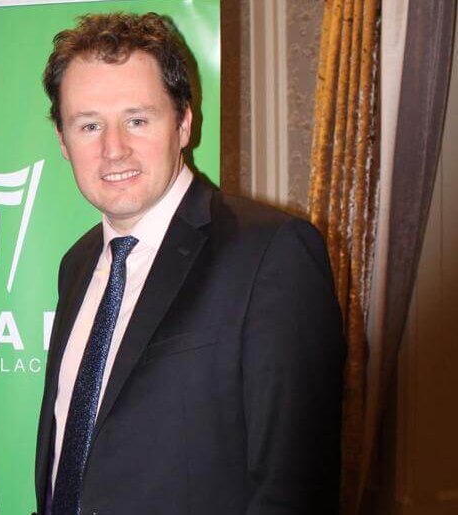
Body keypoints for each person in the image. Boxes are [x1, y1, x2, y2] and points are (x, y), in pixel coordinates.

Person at [34, 13, 345, 515]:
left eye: (137, 119)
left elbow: (295, 487)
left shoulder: (270, 253)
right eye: (89, 125)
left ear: (183, 123)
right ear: (63, 140)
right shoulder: (78, 264)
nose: (113, 149)